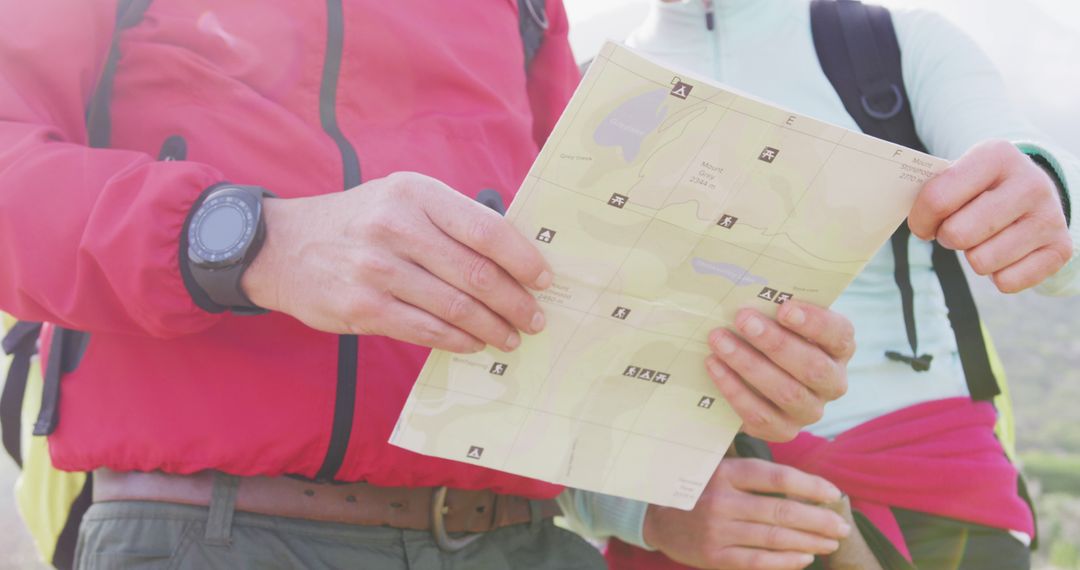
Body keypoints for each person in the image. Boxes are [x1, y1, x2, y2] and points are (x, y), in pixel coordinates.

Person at [0, 1, 857, 568]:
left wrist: (715, 382)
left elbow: (569, 276)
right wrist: (256, 241)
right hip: (217, 539)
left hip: (526, 543)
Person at [591, 0, 1079, 568]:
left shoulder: (892, 42)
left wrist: (1046, 191)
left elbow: (1023, 163)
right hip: (691, 509)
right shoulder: (592, 84)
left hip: (924, 483)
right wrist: (641, 515)